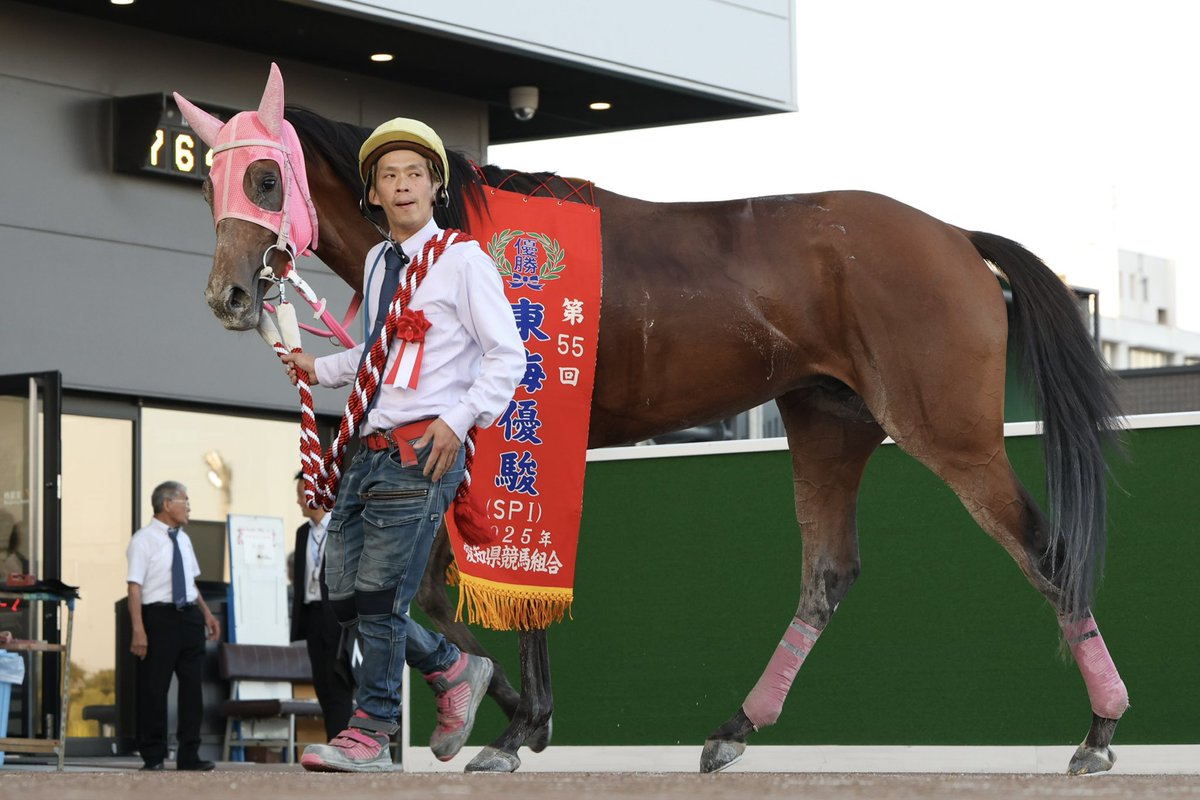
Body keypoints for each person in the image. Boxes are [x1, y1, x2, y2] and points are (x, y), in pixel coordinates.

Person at [280, 117, 524, 773]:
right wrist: (319, 367)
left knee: (383, 596)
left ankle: (373, 731)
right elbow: (382, 353)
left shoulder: (464, 261)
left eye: (415, 173)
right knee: (343, 599)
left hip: (427, 449)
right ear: (375, 195)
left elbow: (509, 356)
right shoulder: (379, 261)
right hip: (372, 446)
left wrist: (461, 419)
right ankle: (451, 667)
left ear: (435, 186)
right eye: (389, 176)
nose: (403, 184)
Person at [126, 481, 221, 771]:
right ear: (167, 504)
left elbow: (190, 582)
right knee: (155, 688)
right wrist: (138, 629)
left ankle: (189, 755)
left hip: (189, 617)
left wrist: (206, 614)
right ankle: (153, 755)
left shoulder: (184, 539)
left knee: (192, 689)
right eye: (185, 501)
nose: (189, 507)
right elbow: (134, 587)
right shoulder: (142, 541)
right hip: (159, 619)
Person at [290, 470, 354, 741]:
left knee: (339, 681)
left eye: (301, 495)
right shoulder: (302, 533)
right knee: (321, 683)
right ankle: (334, 741)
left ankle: (340, 744)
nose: (298, 502)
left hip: (339, 618)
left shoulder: (344, 526)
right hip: (313, 615)